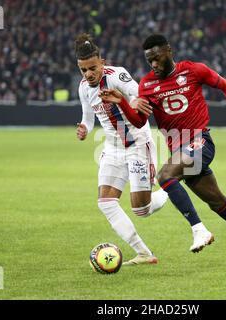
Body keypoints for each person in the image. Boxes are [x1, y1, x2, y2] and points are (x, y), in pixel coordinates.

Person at [100, 34, 226, 261]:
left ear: (169, 51)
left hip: (201, 141)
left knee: (166, 174)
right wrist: (122, 101)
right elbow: (140, 121)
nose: (153, 64)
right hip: (181, 152)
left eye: (157, 58)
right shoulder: (147, 85)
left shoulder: (193, 70)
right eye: (149, 60)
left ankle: (199, 229)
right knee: (218, 203)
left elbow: (225, 85)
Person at [75, 34, 168, 266]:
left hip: (137, 144)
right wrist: (84, 128)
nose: (88, 74)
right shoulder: (84, 88)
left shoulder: (118, 75)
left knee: (142, 210)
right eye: (83, 70)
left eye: (92, 68)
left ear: (102, 62)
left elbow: (139, 96)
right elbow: (87, 118)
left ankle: (170, 189)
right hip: (113, 148)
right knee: (105, 202)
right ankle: (144, 253)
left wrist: (133, 101)